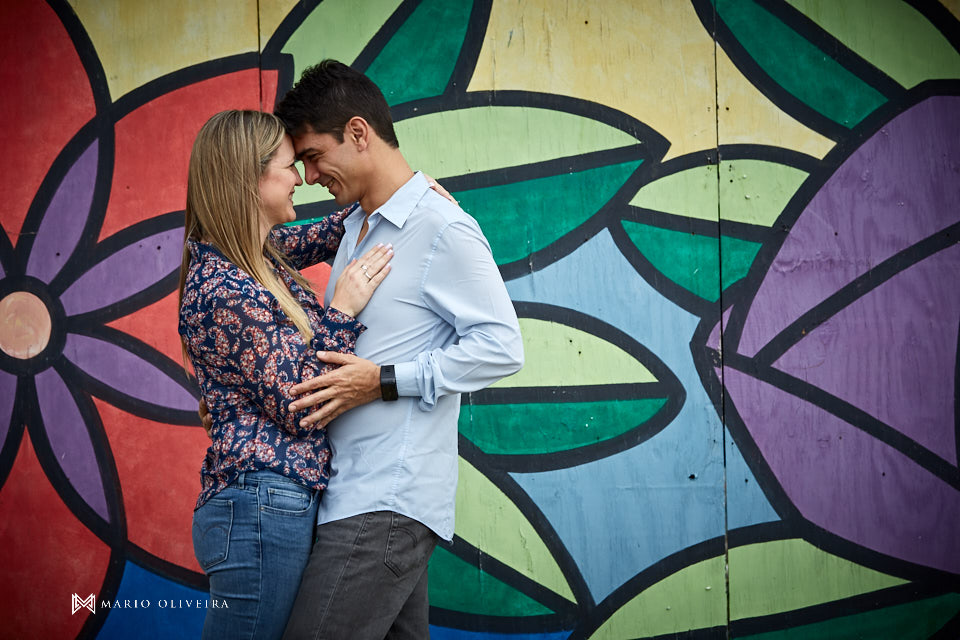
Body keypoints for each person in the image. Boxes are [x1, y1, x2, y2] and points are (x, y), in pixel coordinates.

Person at [273, 60, 524, 639]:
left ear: (358, 133)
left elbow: (502, 346)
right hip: (355, 497)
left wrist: (383, 380)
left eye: (314, 155)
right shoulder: (356, 228)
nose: (308, 175)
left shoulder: (441, 227)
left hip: (385, 499)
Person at [178, 109, 394, 640]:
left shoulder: (255, 261)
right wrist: (341, 311)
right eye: (288, 165)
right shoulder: (223, 288)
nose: (301, 177)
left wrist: (403, 192)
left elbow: (331, 231)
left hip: (271, 504)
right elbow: (303, 405)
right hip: (260, 507)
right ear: (249, 179)